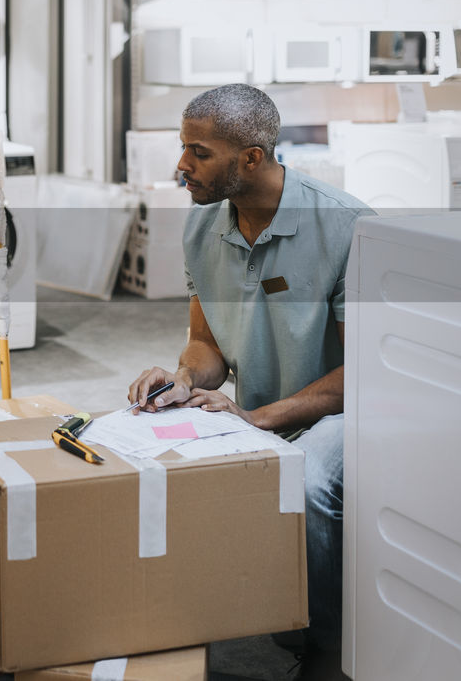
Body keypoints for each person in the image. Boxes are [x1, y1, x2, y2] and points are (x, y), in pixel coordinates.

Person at [127, 84, 372, 681]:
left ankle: (330, 650)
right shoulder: (201, 225)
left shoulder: (347, 226)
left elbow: (369, 368)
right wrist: (184, 378)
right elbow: (208, 342)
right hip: (262, 410)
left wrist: (257, 419)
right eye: (183, 147)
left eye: (198, 152)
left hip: (348, 414)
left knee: (308, 480)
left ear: (252, 158)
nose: (181, 166)